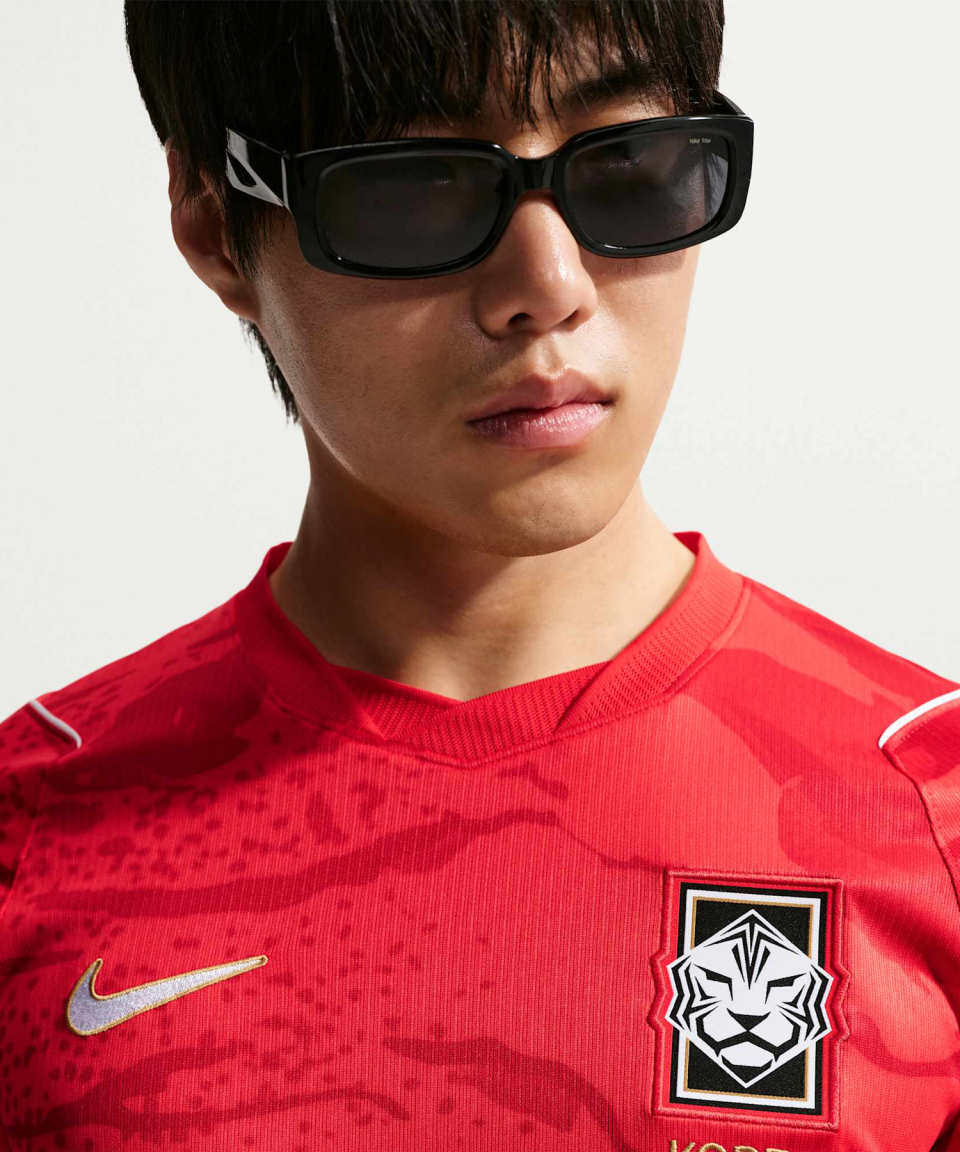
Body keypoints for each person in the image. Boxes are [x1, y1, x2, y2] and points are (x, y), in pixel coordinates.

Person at [1, 2, 958, 1148]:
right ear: (214, 226)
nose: (548, 286)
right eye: (421, 188)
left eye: (628, 165)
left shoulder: (933, 813)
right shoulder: (32, 835)